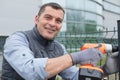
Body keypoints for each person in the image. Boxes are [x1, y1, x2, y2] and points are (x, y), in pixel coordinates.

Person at [1, 2, 119, 80]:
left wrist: (103, 70)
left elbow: (73, 75)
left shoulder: (58, 48)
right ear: (36, 19)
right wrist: (75, 57)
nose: (52, 24)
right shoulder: (17, 39)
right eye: (48, 17)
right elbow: (30, 71)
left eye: (58, 20)